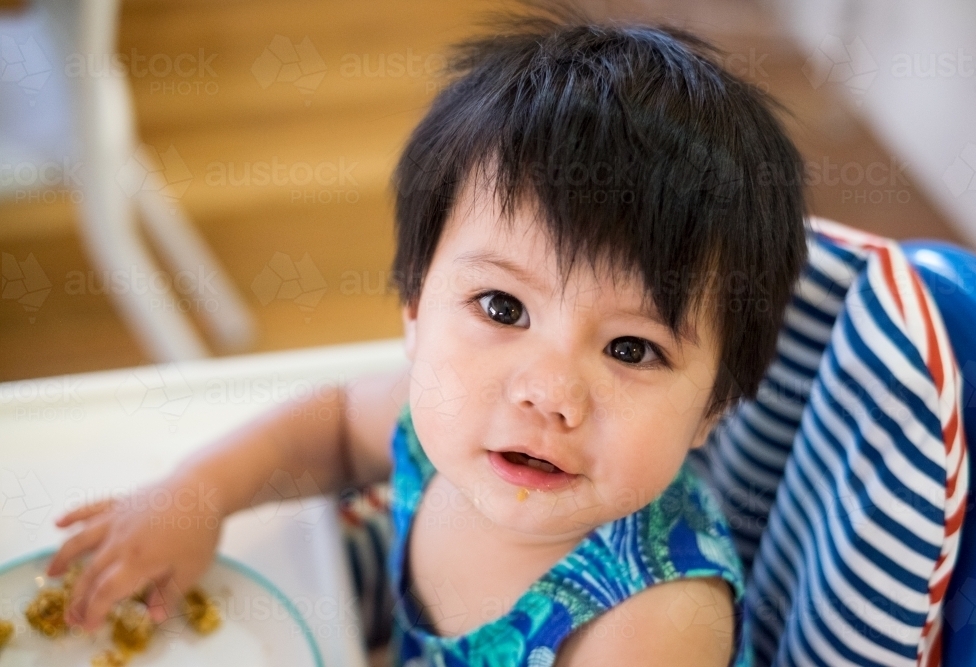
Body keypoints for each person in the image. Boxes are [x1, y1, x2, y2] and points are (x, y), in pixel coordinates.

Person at [46, 12, 807, 667]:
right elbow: (332, 427)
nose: (547, 391)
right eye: (504, 307)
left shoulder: (650, 627)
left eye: (631, 348)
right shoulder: (432, 420)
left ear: (715, 405)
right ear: (414, 307)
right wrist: (195, 495)